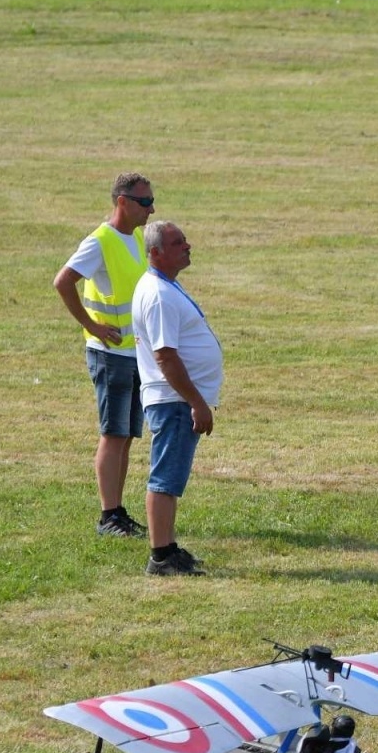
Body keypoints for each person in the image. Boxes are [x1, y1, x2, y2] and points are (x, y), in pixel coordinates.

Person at [51, 173, 156, 537]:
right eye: (144, 202)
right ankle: (108, 515)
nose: (151, 209)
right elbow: (63, 281)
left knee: (126, 435)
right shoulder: (100, 241)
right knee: (113, 434)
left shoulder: (137, 236)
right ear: (122, 202)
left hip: (134, 353)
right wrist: (92, 326)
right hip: (110, 355)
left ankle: (118, 511)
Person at [130, 222, 222, 577]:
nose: (188, 246)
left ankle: (168, 548)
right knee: (166, 478)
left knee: (170, 476)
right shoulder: (158, 295)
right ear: (155, 253)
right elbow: (165, 356)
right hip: (173, 400)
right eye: (177, 242)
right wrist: (196, 402)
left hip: (174, 398)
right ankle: (160, 557)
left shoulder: (164, 286)